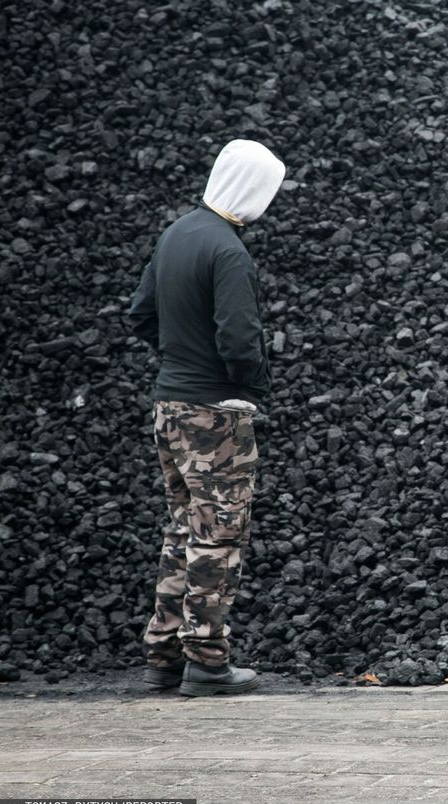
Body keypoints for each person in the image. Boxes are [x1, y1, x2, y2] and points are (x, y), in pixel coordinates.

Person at [128, 139, 286, 697]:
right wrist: (249, 388)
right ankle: (207, 661)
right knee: (218, 534)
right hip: (214, 415)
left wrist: (181, 358)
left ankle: (163, 655)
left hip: (169, 406)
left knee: (182, 528)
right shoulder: (228, 251)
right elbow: (240, 339)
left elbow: (141, 314)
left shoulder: (177, 234)